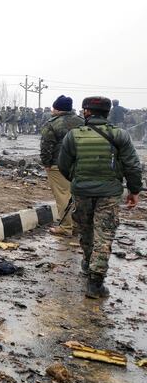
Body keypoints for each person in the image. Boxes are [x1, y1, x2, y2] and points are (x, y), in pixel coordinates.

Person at [58, 96, 142, 299]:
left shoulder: (73, 136)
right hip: (109, 194)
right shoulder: (119, 135)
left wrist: (78, 180)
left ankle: (88, 263)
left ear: (86, 112)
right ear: (107, 113)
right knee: (104, 236)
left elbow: (63, 165)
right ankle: (95, 283)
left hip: (82, 192)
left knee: (86, 232)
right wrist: (134, 190)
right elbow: (132, 165)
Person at [40, 95, 84, 237]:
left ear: (58, 109)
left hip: (58, 165)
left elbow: (46, 146)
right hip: (81, 164)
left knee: (63, 195)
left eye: (54, 108)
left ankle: (67, 227)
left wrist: (46, 163)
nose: (52, 110)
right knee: (79, 195)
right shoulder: (83, 122)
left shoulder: (53, 123)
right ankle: (80, 225)